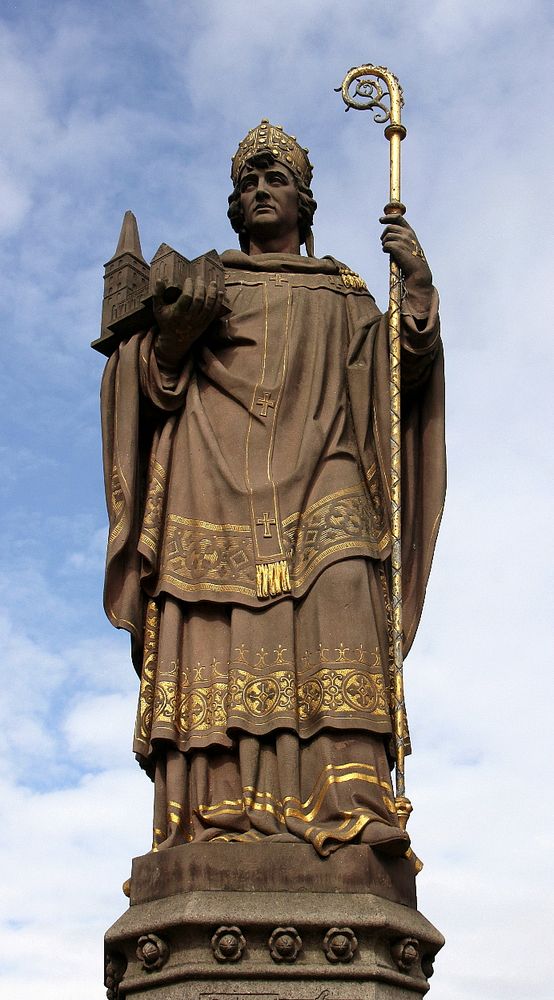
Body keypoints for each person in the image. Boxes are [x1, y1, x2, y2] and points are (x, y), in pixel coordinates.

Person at [100, 120, 445, 864]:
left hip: (328, 476)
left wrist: (414, 292)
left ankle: (353, 801)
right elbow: (145, 386)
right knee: (219, 630)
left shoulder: (345, 293)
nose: (260, 190)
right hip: (212, 483)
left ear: (304, 202)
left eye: (275, 179)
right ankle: (216, 816)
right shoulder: (205, 282)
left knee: (346, 591)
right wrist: (169, 340)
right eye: (248, 182)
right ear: (234, 206)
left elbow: (395, 388)